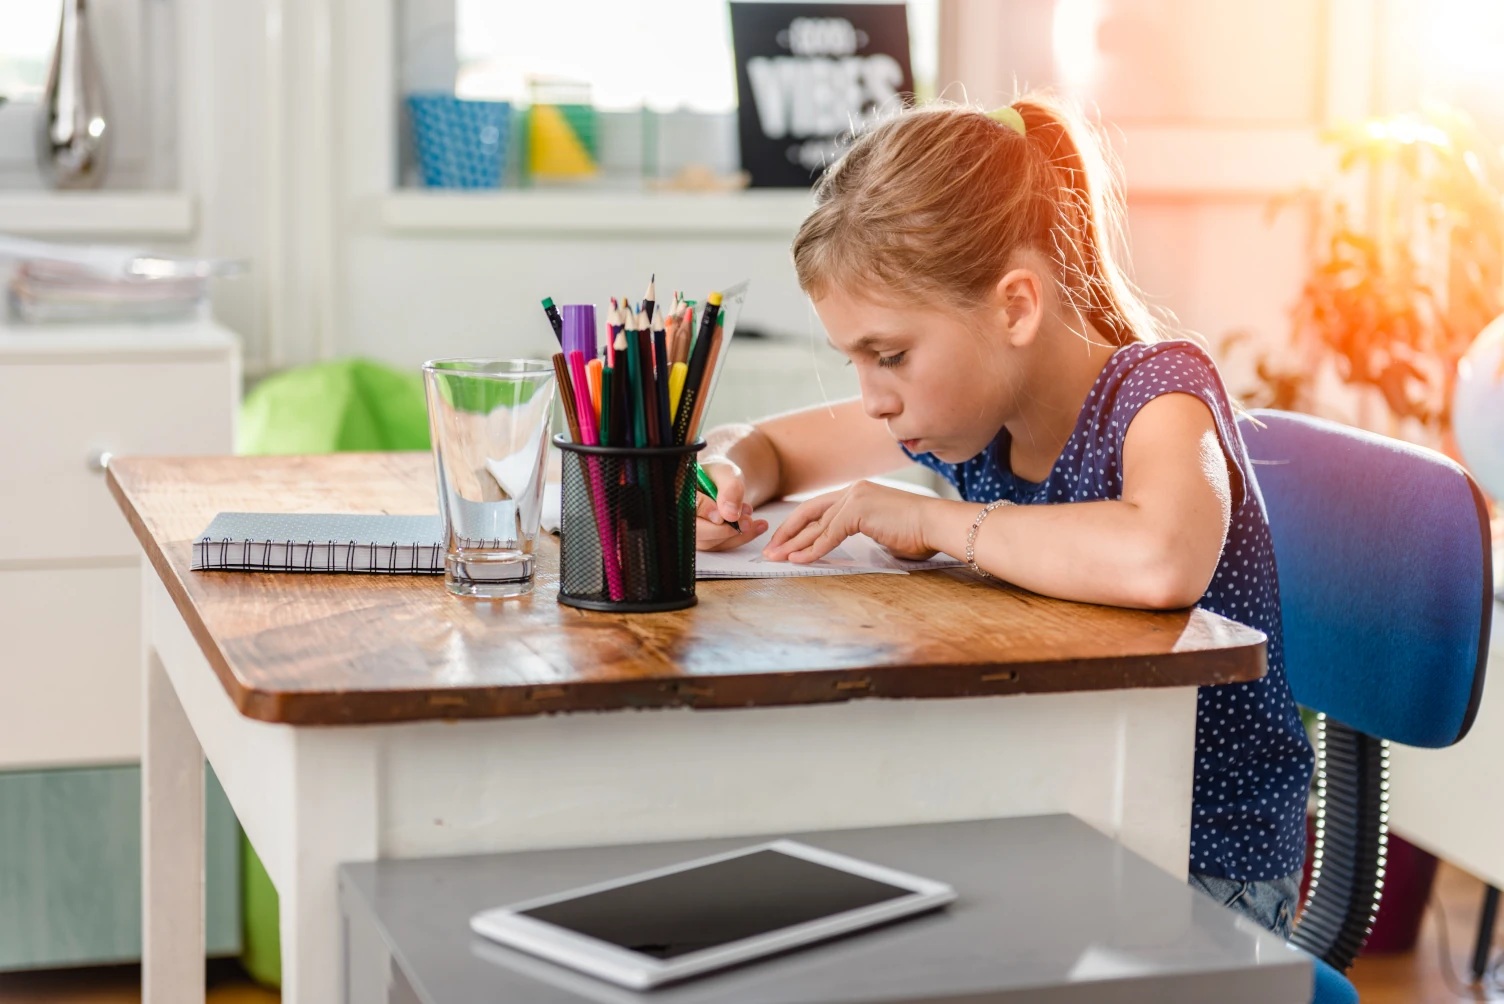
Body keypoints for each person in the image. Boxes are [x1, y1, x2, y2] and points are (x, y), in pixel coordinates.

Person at [695, 95, 1314, 937]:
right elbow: (766, 444)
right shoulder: (968, 416)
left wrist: (941, 524)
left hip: (1198, 863)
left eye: (891, 356)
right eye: (856, 361)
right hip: (1066, 820)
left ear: (1014, 307)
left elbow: (1160, 558)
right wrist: (727, 472)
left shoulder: (1160, 393)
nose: (873, 399)